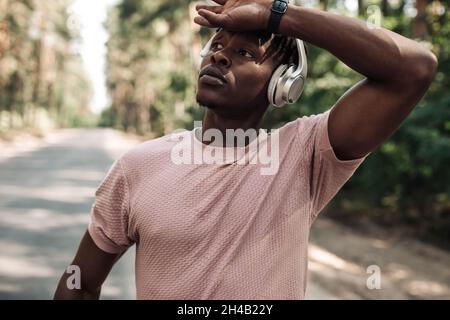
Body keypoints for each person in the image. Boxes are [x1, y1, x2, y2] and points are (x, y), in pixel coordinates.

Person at [54, 0, 437, 300]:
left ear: (282, 84)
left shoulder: (306, 153)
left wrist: (279, 14)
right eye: (216, 45)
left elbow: (415, 68)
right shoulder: (137, 166)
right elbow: (80, 283)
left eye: (245, 54)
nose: (218, 55)